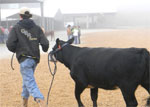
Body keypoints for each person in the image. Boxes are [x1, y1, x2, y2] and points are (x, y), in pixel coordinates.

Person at [6, 7, 49, 107]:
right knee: (27, 81)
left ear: (20, 16)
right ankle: (24, 104)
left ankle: (41, 100)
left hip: (24, 58)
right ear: (30, 16)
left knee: (29, 82)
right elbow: (45, 43)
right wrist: (44, 48)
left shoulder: (16, 28)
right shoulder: (37, 28)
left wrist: (16, 49)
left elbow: (9, 43)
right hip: (34, 59)